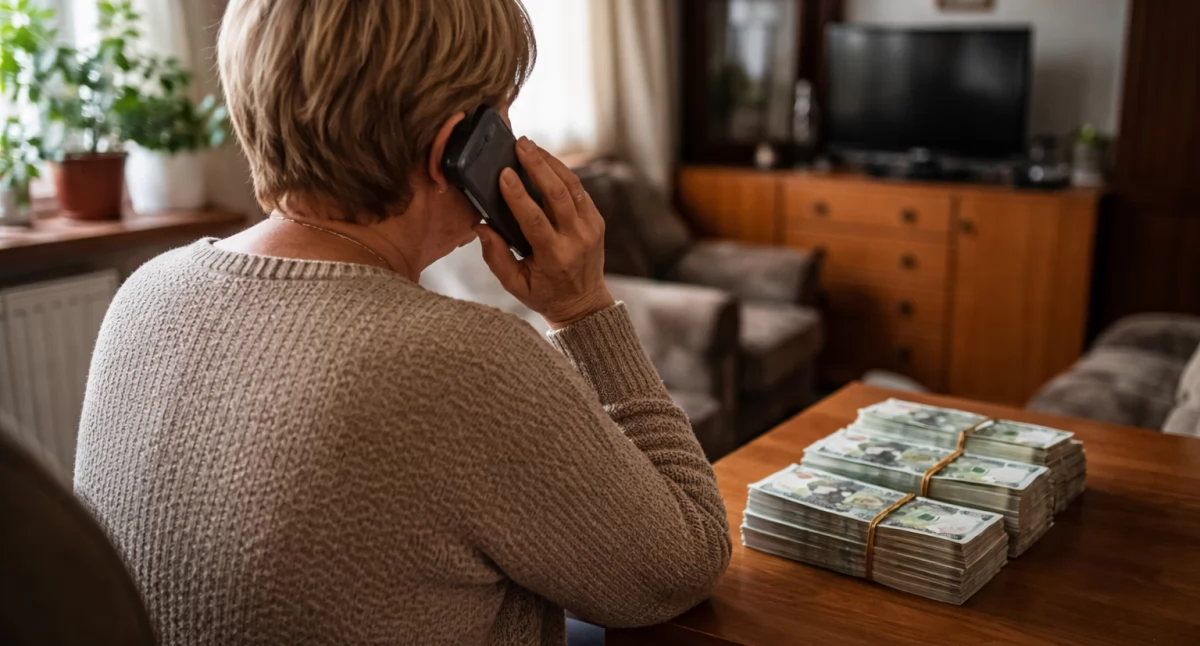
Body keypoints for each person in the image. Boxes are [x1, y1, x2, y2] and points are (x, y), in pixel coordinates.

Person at [72, 1, 731, 645]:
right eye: (503, 115)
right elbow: (682, 564)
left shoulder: (144, 293)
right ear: (454, 150)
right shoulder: (465, 362)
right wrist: (583, 309)